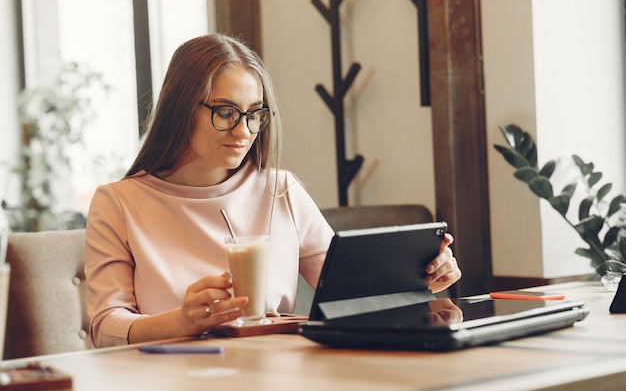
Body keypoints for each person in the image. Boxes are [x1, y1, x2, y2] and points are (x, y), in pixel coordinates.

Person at [84, 33, 462, 348]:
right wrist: (180, 321)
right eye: (226, 112)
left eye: (255, 114)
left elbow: (355, 294)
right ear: (181, 108)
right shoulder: (118, 202)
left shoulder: (280, 190)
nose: (244, 130)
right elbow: (105, 326)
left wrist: (423, 278)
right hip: (182, 376)